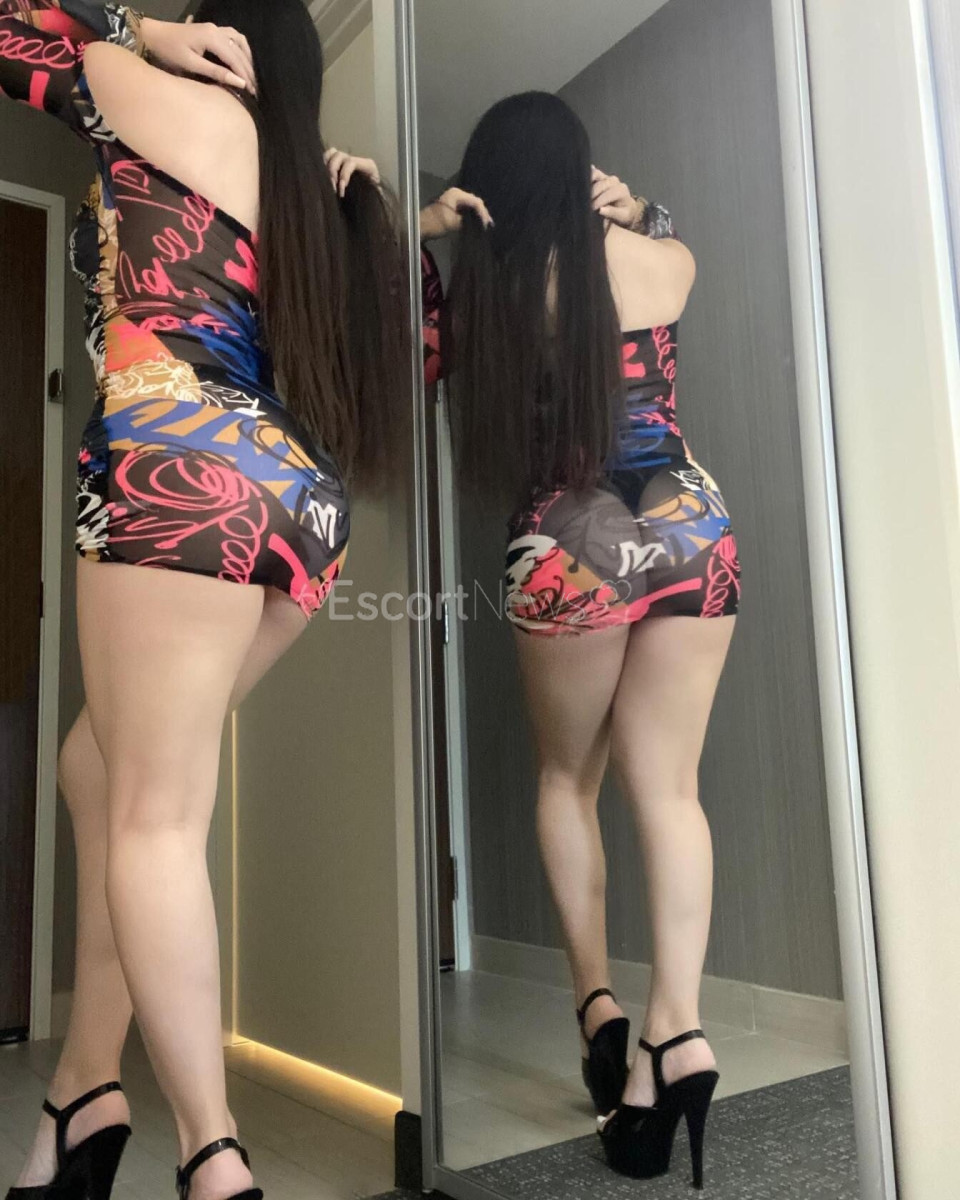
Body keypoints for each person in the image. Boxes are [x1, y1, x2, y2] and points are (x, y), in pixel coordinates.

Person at [0, 4, 404, 1200]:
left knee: (154, 820)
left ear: (214, 33)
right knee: (96, 768)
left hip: (172, 465)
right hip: (297, 504)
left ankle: (211, 1154)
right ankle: (84, 1090)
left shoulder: (133, 83)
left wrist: (131, 29)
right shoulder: (314, 190)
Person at [419, 91, 740, 1188]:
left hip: (570, 535)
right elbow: (678, 248)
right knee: (672, 792)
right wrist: (644, 212)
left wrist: (428, 230)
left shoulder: (492, 288)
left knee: (569, 779)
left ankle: (599, 1008)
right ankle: (675, 1035)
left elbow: (403, 348)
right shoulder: (663, 263)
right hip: (691, 522)